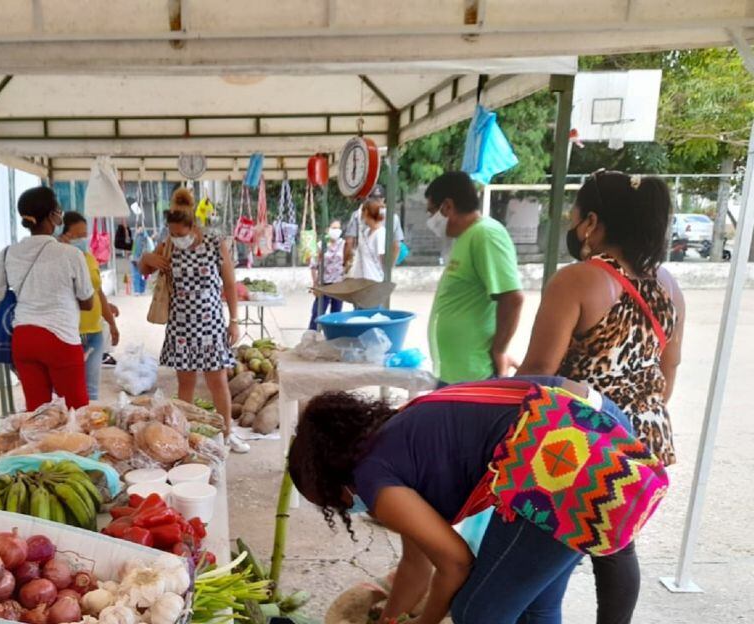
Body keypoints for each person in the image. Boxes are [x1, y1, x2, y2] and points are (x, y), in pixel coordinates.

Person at [288, 377, 668, 624]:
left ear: (335, 483)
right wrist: (391, 618)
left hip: (561, 461)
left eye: (333, 503)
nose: (346, 509)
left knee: (476, 612)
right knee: (535, 605)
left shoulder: (374, 482)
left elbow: (455, 564)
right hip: (599, 418)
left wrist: (425, 622)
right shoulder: (398, 435)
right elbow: (416, 564)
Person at [518, 171, 684, 624]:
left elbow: (538, 373)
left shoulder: (576, 280)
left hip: (583, 435)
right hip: (644, 433)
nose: (571, 225)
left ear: (591, 222)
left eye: (573, 216)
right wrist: (637, 414)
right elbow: (669, 367)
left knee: (551, 542)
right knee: (616, 542)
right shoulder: (668, 284)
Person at [139, 188, 249, 453]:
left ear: (193, 227)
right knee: (185, 383)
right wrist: (147, 258)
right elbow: (144, 270)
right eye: (173, 233)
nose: (177, 238)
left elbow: (230, 285)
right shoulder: (167, 245)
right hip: (180, 324)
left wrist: (234, 320)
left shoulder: (215, 244)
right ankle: (183, 434)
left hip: (211, 322)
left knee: (217, 381)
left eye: (181, 234)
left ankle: (226, 432)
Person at [0, 186, 94, 410]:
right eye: (59, 210)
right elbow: (87, 302)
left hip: (24, 338)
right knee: (76, 411)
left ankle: (42, 447)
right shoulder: (71, 254)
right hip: (61, 338)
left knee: (37, 413)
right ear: (53, 215)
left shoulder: (7, 254)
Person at [425, 171, 523, 384]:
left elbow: (512, 298)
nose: (430, 220)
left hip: (472, 373)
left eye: (431, 212)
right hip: (455, 371)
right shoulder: (466, 236)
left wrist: (499, 350)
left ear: (447, 206)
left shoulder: (485, 234)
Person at [59, 211, 121, 401]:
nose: (82, 240)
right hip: (69, 333)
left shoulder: (88, 257)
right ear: (63, 234)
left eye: (84, 235)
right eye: (77, 236)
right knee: (68, 390)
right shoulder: (58, 259)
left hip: (94, 332)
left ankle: (86, 429)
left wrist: (111, 324)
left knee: (92, 391)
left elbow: (98, 292)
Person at [308, 219, 346, 330]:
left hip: (339, 285)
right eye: (333, 228)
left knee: (336, 314)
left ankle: (333, 337)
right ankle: (312, 335)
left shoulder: (343, 245)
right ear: (327, 230)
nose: (336, 231)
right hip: (324, 284)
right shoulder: (321, 245)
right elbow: (313, 265)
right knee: (317, 313)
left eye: (338, 228)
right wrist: (315, 283)